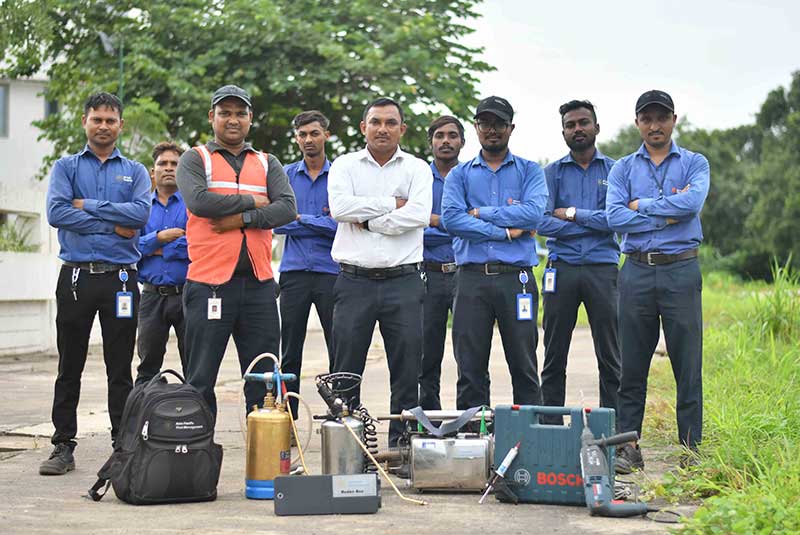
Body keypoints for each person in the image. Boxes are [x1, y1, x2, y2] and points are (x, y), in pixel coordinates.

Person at [41, 92, 151, 475]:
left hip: (121, 280)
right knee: (69, 364)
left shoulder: (136, 171)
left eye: (110, 120)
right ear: (84, 121)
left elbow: (139, 216)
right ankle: (62, 446)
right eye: (97, 119)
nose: (103, 126)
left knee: (119, 367)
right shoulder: (66, 167)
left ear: (120, 125)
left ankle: (123, 446)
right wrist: (113, 225)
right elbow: (57, 212)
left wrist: (85, 205)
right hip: (76, 277)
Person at [176, 85, 296, 418]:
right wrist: (254, 201)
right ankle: (198, 446)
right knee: (200, 377)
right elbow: (200, 202)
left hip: (259, 286)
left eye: (240, 113)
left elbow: (287, 208)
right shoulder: (195, 159)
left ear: (250, 118)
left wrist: (241, 219)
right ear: (211, 117)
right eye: (225, 113)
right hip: (209, 286)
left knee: (265, 378)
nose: (233, 120)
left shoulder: (268, 162)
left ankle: (264, 446)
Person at [606, 90, 709, 472]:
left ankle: (691, 452)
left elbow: (692, 205)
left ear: (673, 120)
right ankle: (628, 448)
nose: (655, 125)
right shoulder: (622, 169)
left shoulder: (695, 163)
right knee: (631, 367)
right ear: (637, 123)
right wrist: (668, 214)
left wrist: (643, 207)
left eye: (661, 118)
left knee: (687, 364)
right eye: (647, 119)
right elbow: (615, 217)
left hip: (681, 270)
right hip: (635, 270)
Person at [328, 97, 432, 446]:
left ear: (402, 129)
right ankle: (348, 449)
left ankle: (400, 449)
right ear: (364, 127)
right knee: (345, 373)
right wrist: (392, 205)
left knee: (406, 373)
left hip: (404, 282)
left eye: (390, 123)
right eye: (375, 122)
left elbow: (419, 214)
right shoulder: (345, 165)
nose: (382, 129)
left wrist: (369, 221)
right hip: (353, 281)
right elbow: (340, 208)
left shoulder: (416, 168)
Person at [442, 96, 548, 411]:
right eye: (485, 123)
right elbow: (452, 219)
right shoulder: (459, 175)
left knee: (524, 364)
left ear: (511, 128)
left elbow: (533, 214)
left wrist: (479, 213)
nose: (492, 130)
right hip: (471, 280)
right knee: (470, 368)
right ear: (476, 127)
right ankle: (474, 435)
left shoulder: (530, 171)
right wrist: (503, 231)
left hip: (517, 281)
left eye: (499, 123)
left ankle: (528, 434)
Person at [536, 100, 621, 424]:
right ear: (563, 133)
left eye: (583, 122)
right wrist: (593, 223)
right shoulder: (551, 173)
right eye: (570, 125)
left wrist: (572, 214)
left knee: (610, 355)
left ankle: (610, 429)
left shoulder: (615, 171)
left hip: (603, 268)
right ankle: (550, 427)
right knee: (554, 354)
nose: (577, 129)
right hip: (562, 268)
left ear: (596, 127)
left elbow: (615, 219)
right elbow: (541, 222)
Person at [273, 110, 337, 418]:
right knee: (290, 350)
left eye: (314, 133)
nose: (308, 139)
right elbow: (276, 222)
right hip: (294, 273)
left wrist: (299, 218)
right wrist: (317, 221)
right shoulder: (285, 175)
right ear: (296, 138)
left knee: (338, 347)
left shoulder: (339, 175)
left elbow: (342, 225)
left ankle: (339, 413)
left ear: (326, 135)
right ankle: (288, 415)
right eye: (302, 134)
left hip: (331, 273)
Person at [418, 115, 464, 410]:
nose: (445, 141)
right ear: (431, 142)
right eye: (439, 136)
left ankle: (471, 419)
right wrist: (456, 225)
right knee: (425, 355)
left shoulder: (472, 176)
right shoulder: (418, 178)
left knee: (470, 354)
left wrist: (434, 220)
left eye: (452, 135)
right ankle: (428, 420)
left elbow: (476, 227)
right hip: (427, 275)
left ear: (462, 141)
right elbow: (411, 227)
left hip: (465, 274)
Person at [134, 142, 189, 386]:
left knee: (195, 364)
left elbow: (198, 245)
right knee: (147, 365)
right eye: (162, 163)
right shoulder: (140, 208)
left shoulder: (194, 207)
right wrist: (160, 237)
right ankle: (143, 408)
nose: (168, 168)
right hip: (151, 297)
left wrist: (157, 249)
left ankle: (197, 410)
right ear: (152, 171)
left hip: (187, 295)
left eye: (174, 164)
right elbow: (130, 247)